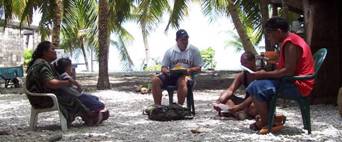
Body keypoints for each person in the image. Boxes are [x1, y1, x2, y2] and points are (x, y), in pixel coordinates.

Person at [246, 17, 315, 134]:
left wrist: (264, 75)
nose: (268, 37)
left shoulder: (290, 43)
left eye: (269, 33)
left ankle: (267, 123)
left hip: (298, 86)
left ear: (278, 31)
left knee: (256, 87)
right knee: (258, 85)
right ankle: (269, 119)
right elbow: (286, 67)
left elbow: (288, 71)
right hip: (292, 81)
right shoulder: (289, 40)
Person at [25, 41, 106, 126]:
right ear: (44, 52)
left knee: (70, 94)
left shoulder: (42, 63)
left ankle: (88, 116)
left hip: (39, 97)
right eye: (52, 49)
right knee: (71, 97)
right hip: (42, 99)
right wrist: (67, 83)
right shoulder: (42, 65)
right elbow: (50, 83)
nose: (55, 51)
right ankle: (89, 116)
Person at [151, 29, 203, 106]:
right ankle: (157, 106)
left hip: (186, 76)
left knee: (182, 80)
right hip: (171, 75)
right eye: (182, 40)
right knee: (155, 80)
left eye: (186, 39)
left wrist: (189, 70)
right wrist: (167, 71)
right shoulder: (170, 51)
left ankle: (179, 106)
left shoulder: (194, 50)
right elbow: (163, 67)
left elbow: (199, 68)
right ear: (177, 40)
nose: (184, 42)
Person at [54, 57, 109, 124]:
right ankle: (94, 117)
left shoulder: (60, 76)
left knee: (95, 98)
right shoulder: (64, 75)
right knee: (100, 105)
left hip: (78, 95)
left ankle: (92, 117)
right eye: (70, 66)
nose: (72, 68)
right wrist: (78, 84)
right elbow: (70, 81)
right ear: (67, 67)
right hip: (79, 96)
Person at [213, 52, 257, 120]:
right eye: (242, 63)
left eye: (245, 63)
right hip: (245, 102)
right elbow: (230, 90)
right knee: (224, 96)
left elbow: (255, 96)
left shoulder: (261, 74)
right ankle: (237, 113)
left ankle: (236, 112)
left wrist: (238, 107)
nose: (243, 65)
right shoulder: (242, 75)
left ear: (253, 62)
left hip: (256, 101)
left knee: (253, 107)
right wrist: (219, 101)